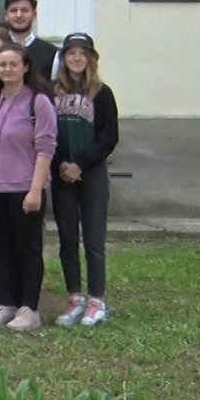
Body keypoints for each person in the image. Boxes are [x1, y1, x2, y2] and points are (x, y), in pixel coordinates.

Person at [0, 44, 57, 331]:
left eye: (12, 64)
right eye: (1, 64)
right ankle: (5, 304)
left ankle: (29, 308)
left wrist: (35, 190)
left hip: (24, 188)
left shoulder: (39, 102)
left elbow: (45, 148)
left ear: (26, 67)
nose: (7, 69)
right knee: (2, 249)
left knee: (28, 250)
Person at [51, 33, 119, 328]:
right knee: (67, 239)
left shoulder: (102, 93)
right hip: (61, 172)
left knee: (93, 239)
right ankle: (75, 297)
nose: (77, 58)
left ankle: (96, 300)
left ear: (91, 58)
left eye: (82, 53)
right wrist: (62, 164)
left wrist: (81, 164)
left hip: (91, 173)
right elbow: (45, 133)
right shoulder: (53, 92)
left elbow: (109, 137)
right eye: (71, 53)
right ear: (64, 59)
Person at [3, 0, 60, 80]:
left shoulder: (52, 53)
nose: (19, 15)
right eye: (14, 10)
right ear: (6, 15)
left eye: (24, 10)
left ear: (34, 15)